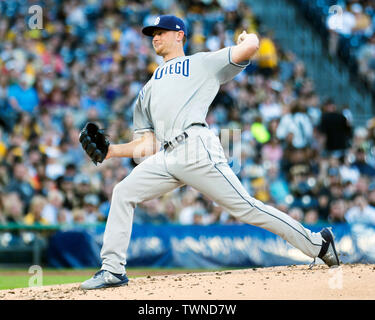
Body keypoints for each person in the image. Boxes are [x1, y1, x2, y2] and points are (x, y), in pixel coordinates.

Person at [80, 15, 340, 290]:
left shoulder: (200, 63)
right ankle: (112, 270)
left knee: (246, 208)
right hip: (166, 155)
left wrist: (246, 38)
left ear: (179, 35)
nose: (155, 37)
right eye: (152, 33)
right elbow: (148, 144)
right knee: (123, 192)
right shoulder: (147, 89)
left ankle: (318, 243)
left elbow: (250, 47)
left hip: (196, 147)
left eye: (162, 32)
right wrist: (111, 151)